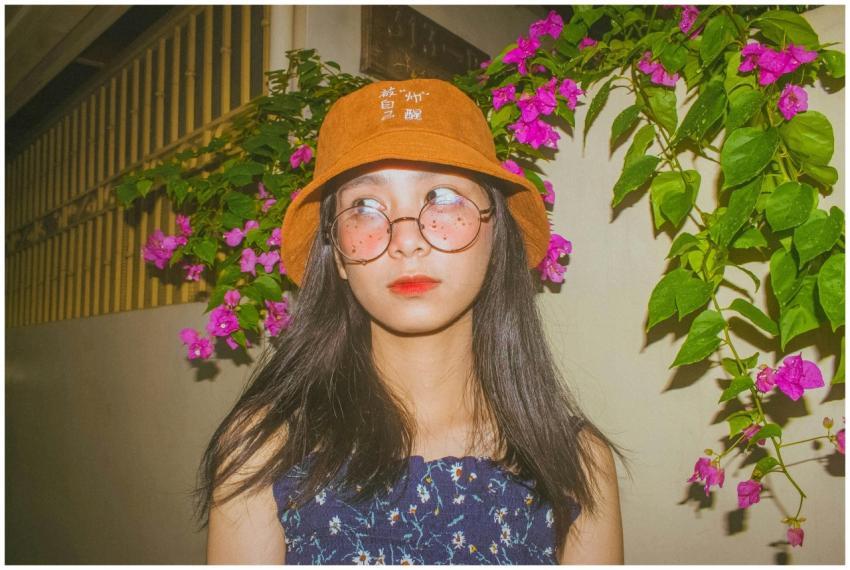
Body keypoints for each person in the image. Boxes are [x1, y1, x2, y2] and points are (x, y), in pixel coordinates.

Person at [198, 78, 627, 564]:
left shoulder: (578, 464)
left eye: (442, 197)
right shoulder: (263, 451)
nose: (406, 239)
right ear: (336, 252)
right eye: (365, 207)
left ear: (496, 233)